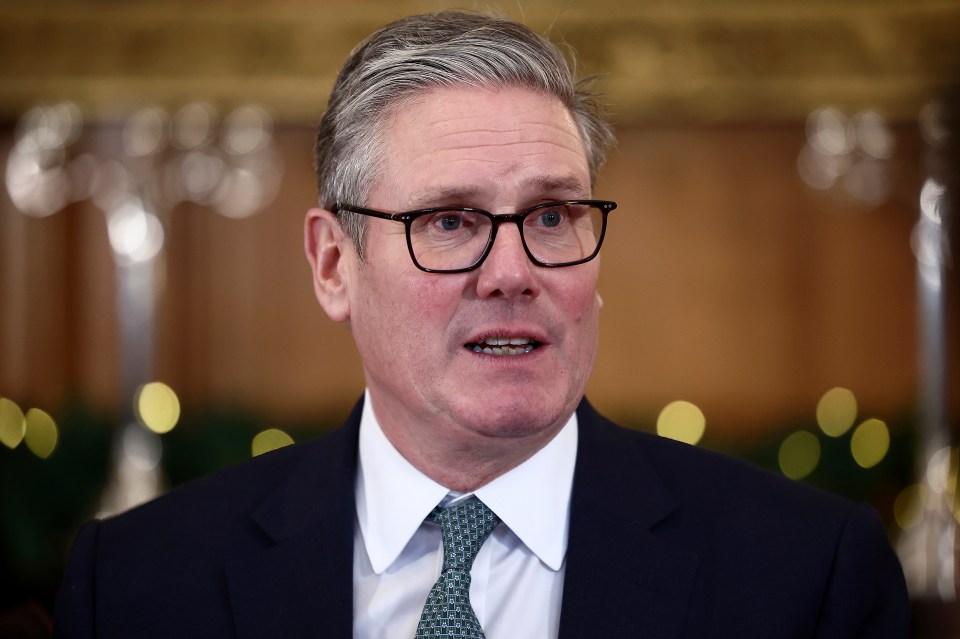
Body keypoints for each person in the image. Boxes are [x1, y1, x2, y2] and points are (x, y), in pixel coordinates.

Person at [54, 10, 909, 639]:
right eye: (451, 221)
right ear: (331, 264)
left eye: (550, 216)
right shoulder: (140, 583)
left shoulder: (807, 575)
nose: (513, 273)